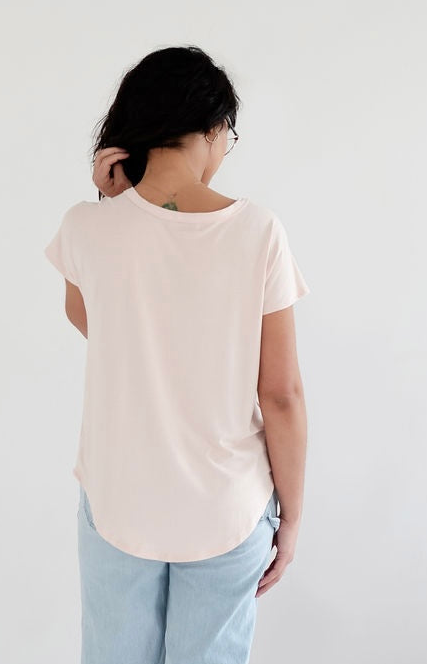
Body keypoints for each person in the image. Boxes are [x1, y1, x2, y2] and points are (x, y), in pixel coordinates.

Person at [44, 45, 310, 664]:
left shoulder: (87, 224)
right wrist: (292, 518)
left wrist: (111, 207)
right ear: (213, 128)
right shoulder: (258, 231)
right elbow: (281, 395)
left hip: (120, 499)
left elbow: (98, 326)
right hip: (226, 506)